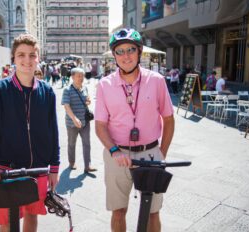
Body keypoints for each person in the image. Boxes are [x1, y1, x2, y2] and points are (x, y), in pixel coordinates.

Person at [0, 33, 60, 232]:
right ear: (13, 58)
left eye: (32, 55)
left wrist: (54, 167)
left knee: (32, 215)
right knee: (6, 224)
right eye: (21, 55)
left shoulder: (47, 92)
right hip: (7, 170)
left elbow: (53, 131)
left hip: (38, 169)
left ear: (38, 58)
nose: (27, 60)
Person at [95, 28, 174, 232]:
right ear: (114, 55)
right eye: (120, 51)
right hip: (117, 155)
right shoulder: (104, 85)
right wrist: (114, 150)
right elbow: (100, 126)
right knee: (118, 211)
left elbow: (168, 119)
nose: (126, 56)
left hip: (150, 154)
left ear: (139, 52)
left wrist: (162, 153)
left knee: (153, 211)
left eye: (130, 49)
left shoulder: (156, 81)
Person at [61, 67, 97, 173]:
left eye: (82, 76)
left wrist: (88, 101)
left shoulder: (84, 88)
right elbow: (66, 106)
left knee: (87, 143)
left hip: (85, 121)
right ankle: (71, 162)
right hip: (72, 123)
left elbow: (87, 99)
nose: (81, 78)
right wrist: (74, 118)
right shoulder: (67, 90)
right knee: (72, 143)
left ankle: (87, 165)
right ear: (72, 77)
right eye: (79, 76)